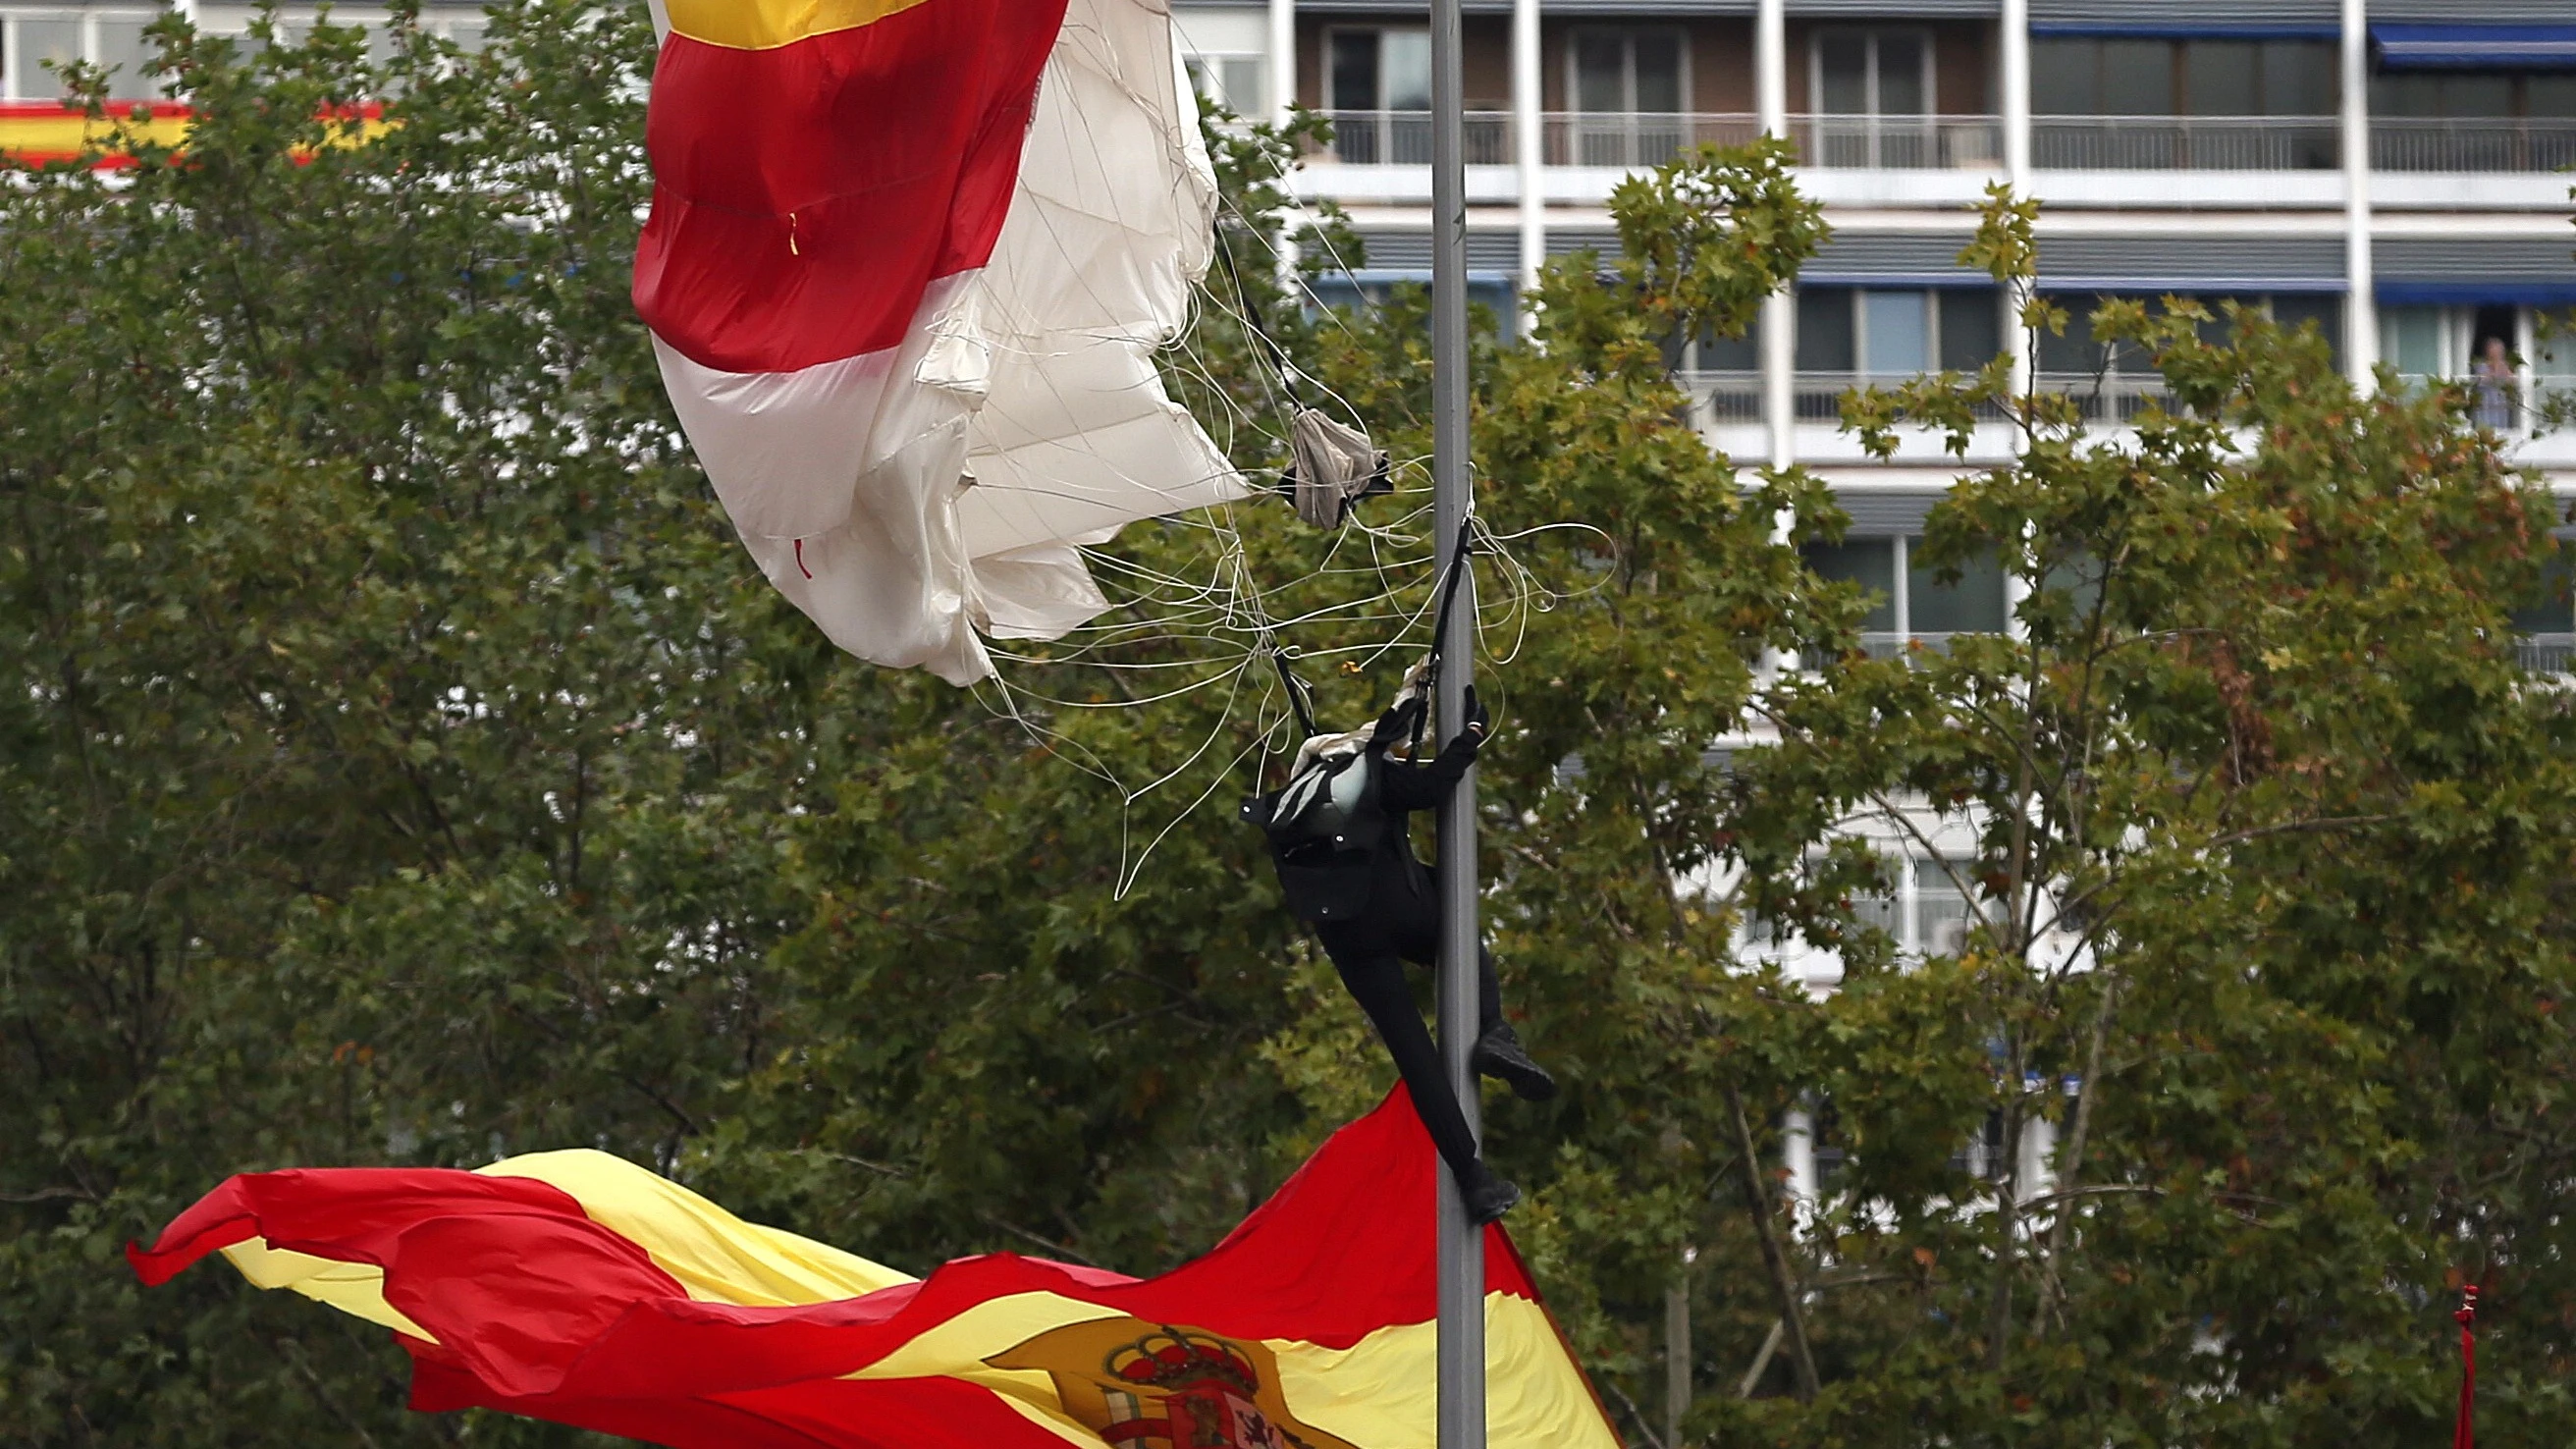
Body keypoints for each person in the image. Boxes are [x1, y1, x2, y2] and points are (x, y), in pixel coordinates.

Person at [1244, 674, 1556, 1224]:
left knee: (1415, 1056)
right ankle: (1493, 1031)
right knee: (1462, 931)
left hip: (1343, 933)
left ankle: (1474, 1180)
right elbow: (1434, 787)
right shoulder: (1369, 773)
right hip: (1399, 907)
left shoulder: (1295, 806)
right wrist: (1470, 734)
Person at [2476, 336, 2517, 431]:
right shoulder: (2481, 366)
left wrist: (2504, 369)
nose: (2499, 353)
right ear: (2489, 351)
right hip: (2486, 408)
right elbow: (2486, 379)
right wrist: (2497, 367)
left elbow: (2512, 382)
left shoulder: (2505, 367)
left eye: (2501, 350)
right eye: (2496, 350)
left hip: (2501, 408)